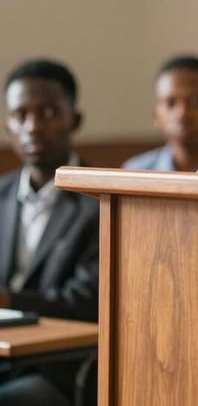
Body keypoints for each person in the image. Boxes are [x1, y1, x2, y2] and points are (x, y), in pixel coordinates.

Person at [0, 58, 99, 406]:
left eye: (48, 112)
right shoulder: (2, 193)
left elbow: (88, 301)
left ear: (75, 119)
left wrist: (10, 301)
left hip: (57, 369)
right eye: (20, 114)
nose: (33, 126)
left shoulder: (101, 202)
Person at [122, 54, 198, 172]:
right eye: (170, 103)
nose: (182, 113)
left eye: (194, 102)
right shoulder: (136, 173)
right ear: (156, 114)